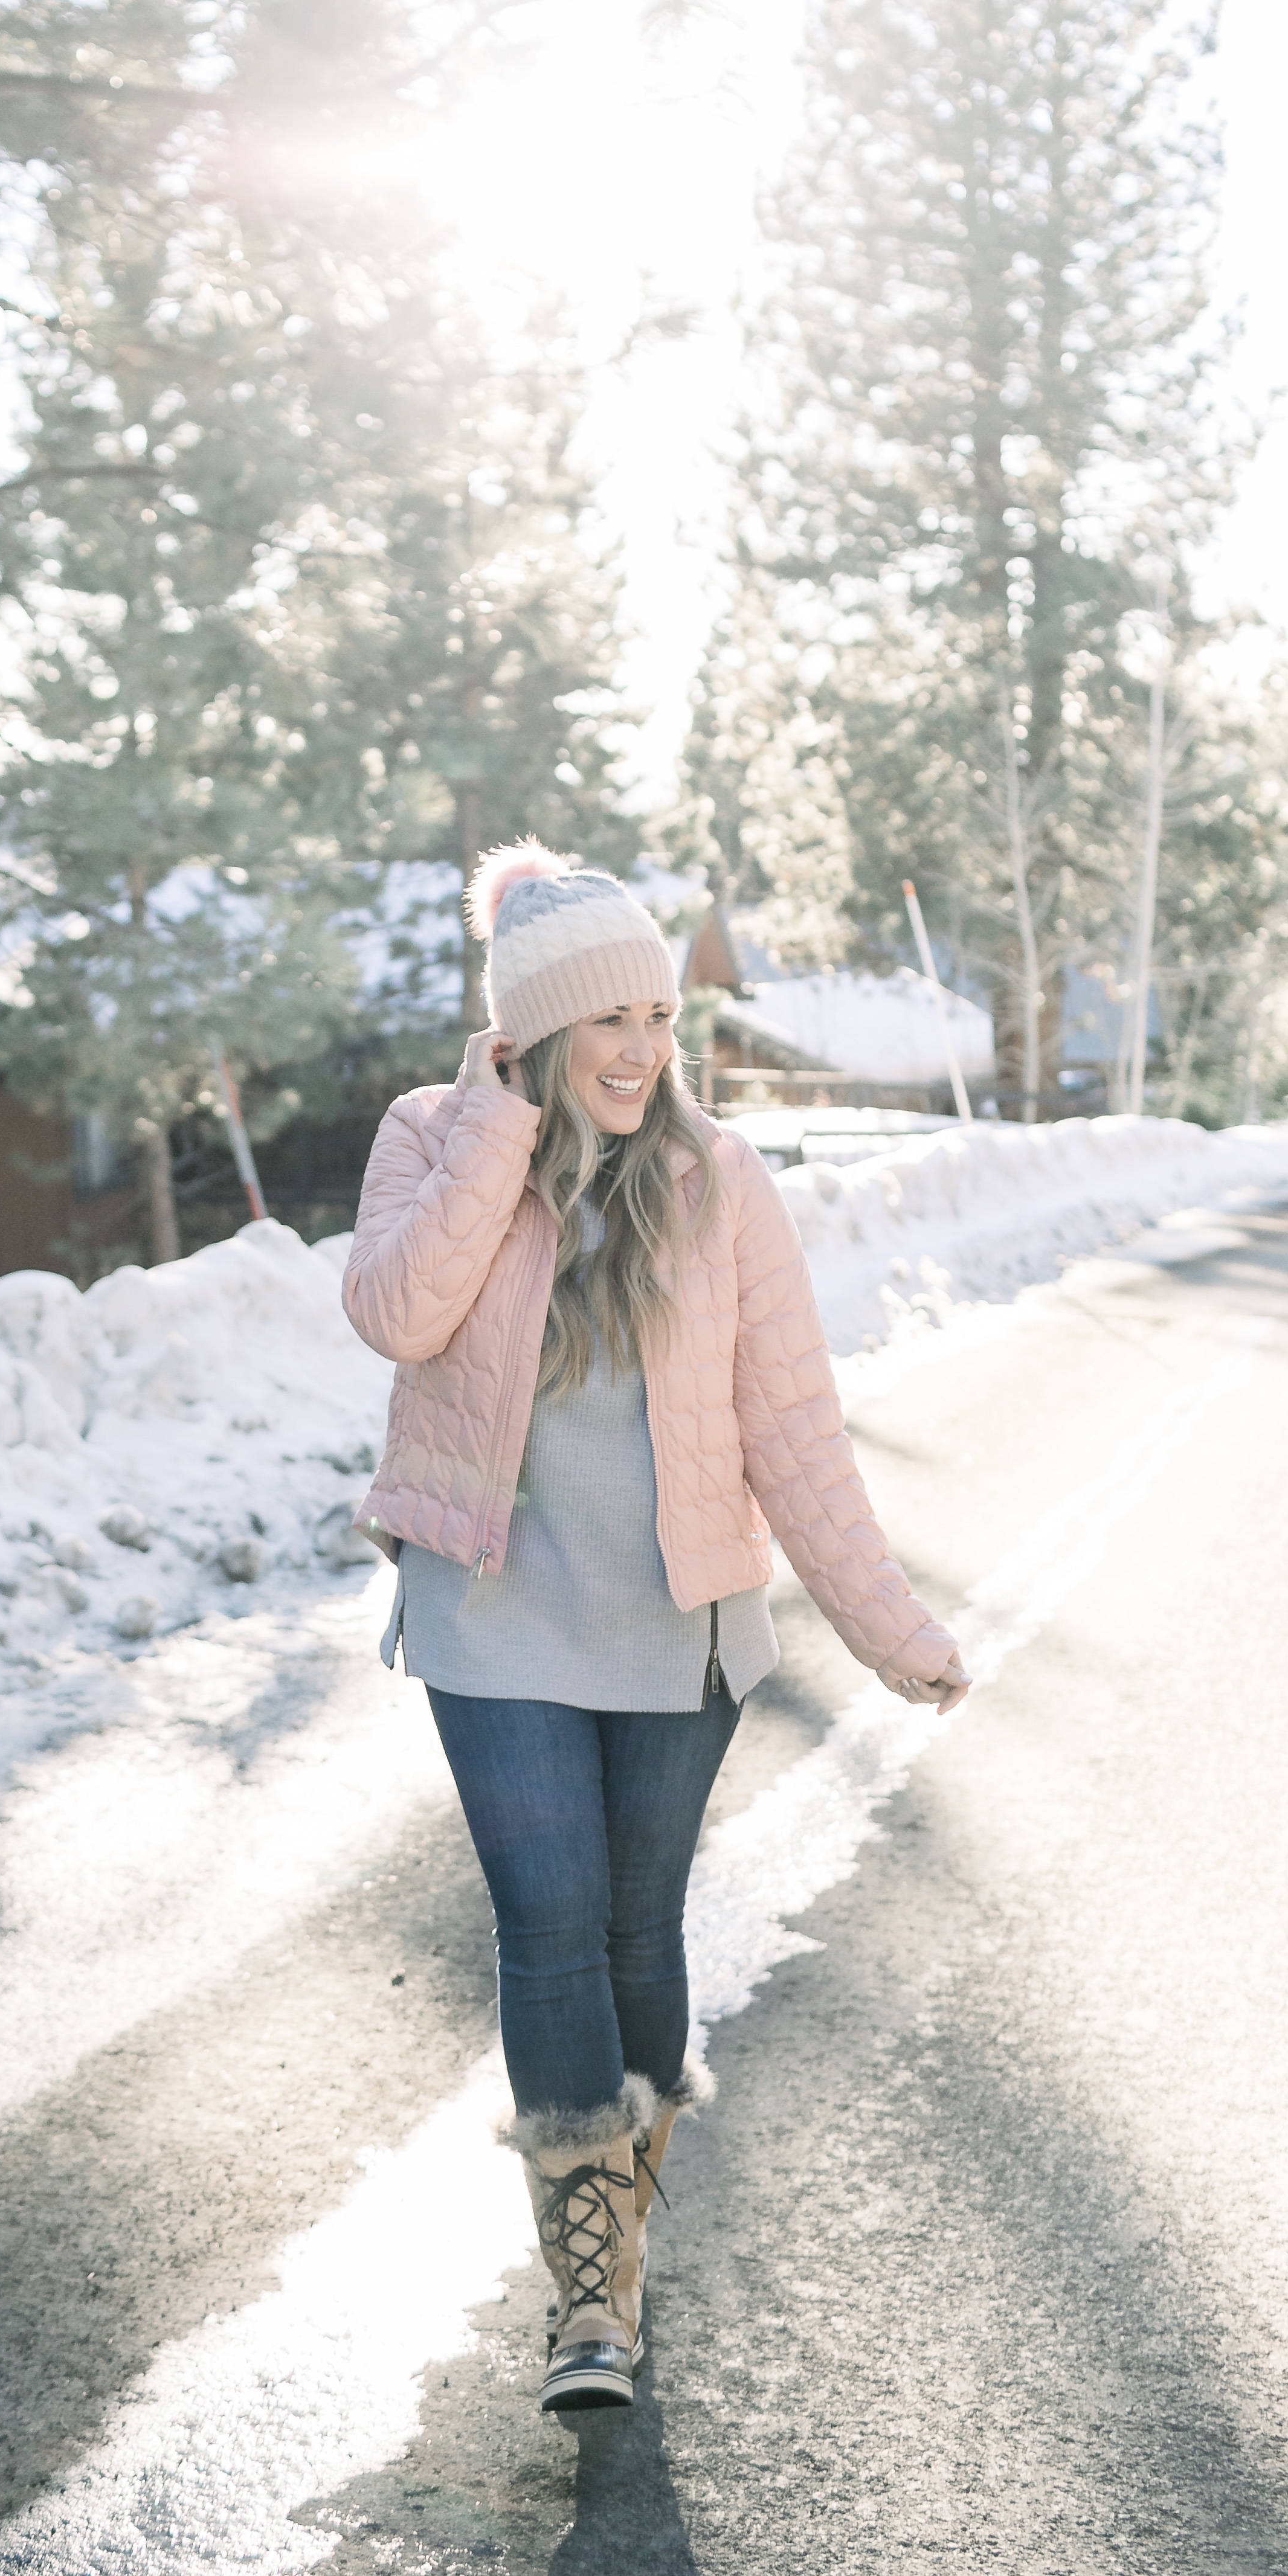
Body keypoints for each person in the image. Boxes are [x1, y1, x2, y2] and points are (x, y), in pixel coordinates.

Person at [343, 843, 970, 2415]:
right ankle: (590, 2296)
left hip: (676, 1628)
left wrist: (886, 1625)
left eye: (660, 1016)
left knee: (637, 1930)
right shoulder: (433, 1137)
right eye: (607, 1018)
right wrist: (501, 1123)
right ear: (535, 1027)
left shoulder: (719, 1182)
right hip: (490, 1613)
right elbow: (399, 1315)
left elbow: (793, 1429)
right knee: (550, 1924)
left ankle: (619, 2236)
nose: (641, 1048)